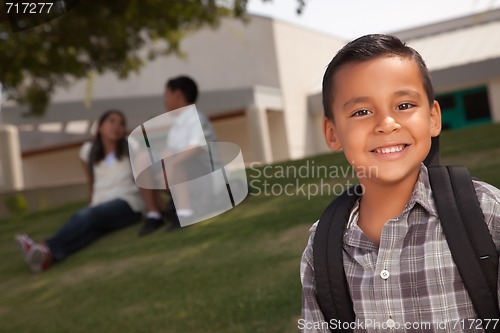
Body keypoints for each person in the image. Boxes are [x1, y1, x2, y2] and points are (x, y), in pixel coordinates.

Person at [300, 34, 500, 332]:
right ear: (332, 133)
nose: (386, 123)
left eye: (404, 105)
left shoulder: (487, 213)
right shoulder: (323, 247)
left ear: (433, 118)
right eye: (362, 112)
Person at [15, 110, 145, 272]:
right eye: (111, 121)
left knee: (87, 216)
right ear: (99, 127)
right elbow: (92, 183)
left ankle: (43, 247)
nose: (117, 126)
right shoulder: (88, 151)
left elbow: (144, 177)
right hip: (100, 204)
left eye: (121, 123)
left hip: (128, 203)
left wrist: (153, 210)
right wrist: (91, 204)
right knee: (90, 230)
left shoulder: (131, 146)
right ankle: (46, 259)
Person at [137, 75, 219, 236]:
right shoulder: (177, 125)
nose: (165, 100)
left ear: (177, 95)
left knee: (177, 160)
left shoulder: (196, 117)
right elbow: (169, 151)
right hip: (186, 175)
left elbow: (196, 148)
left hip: (206, 176)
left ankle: (185, 213)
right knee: (143, 158)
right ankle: (154, 214)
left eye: (166, 95)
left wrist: (171, 165)